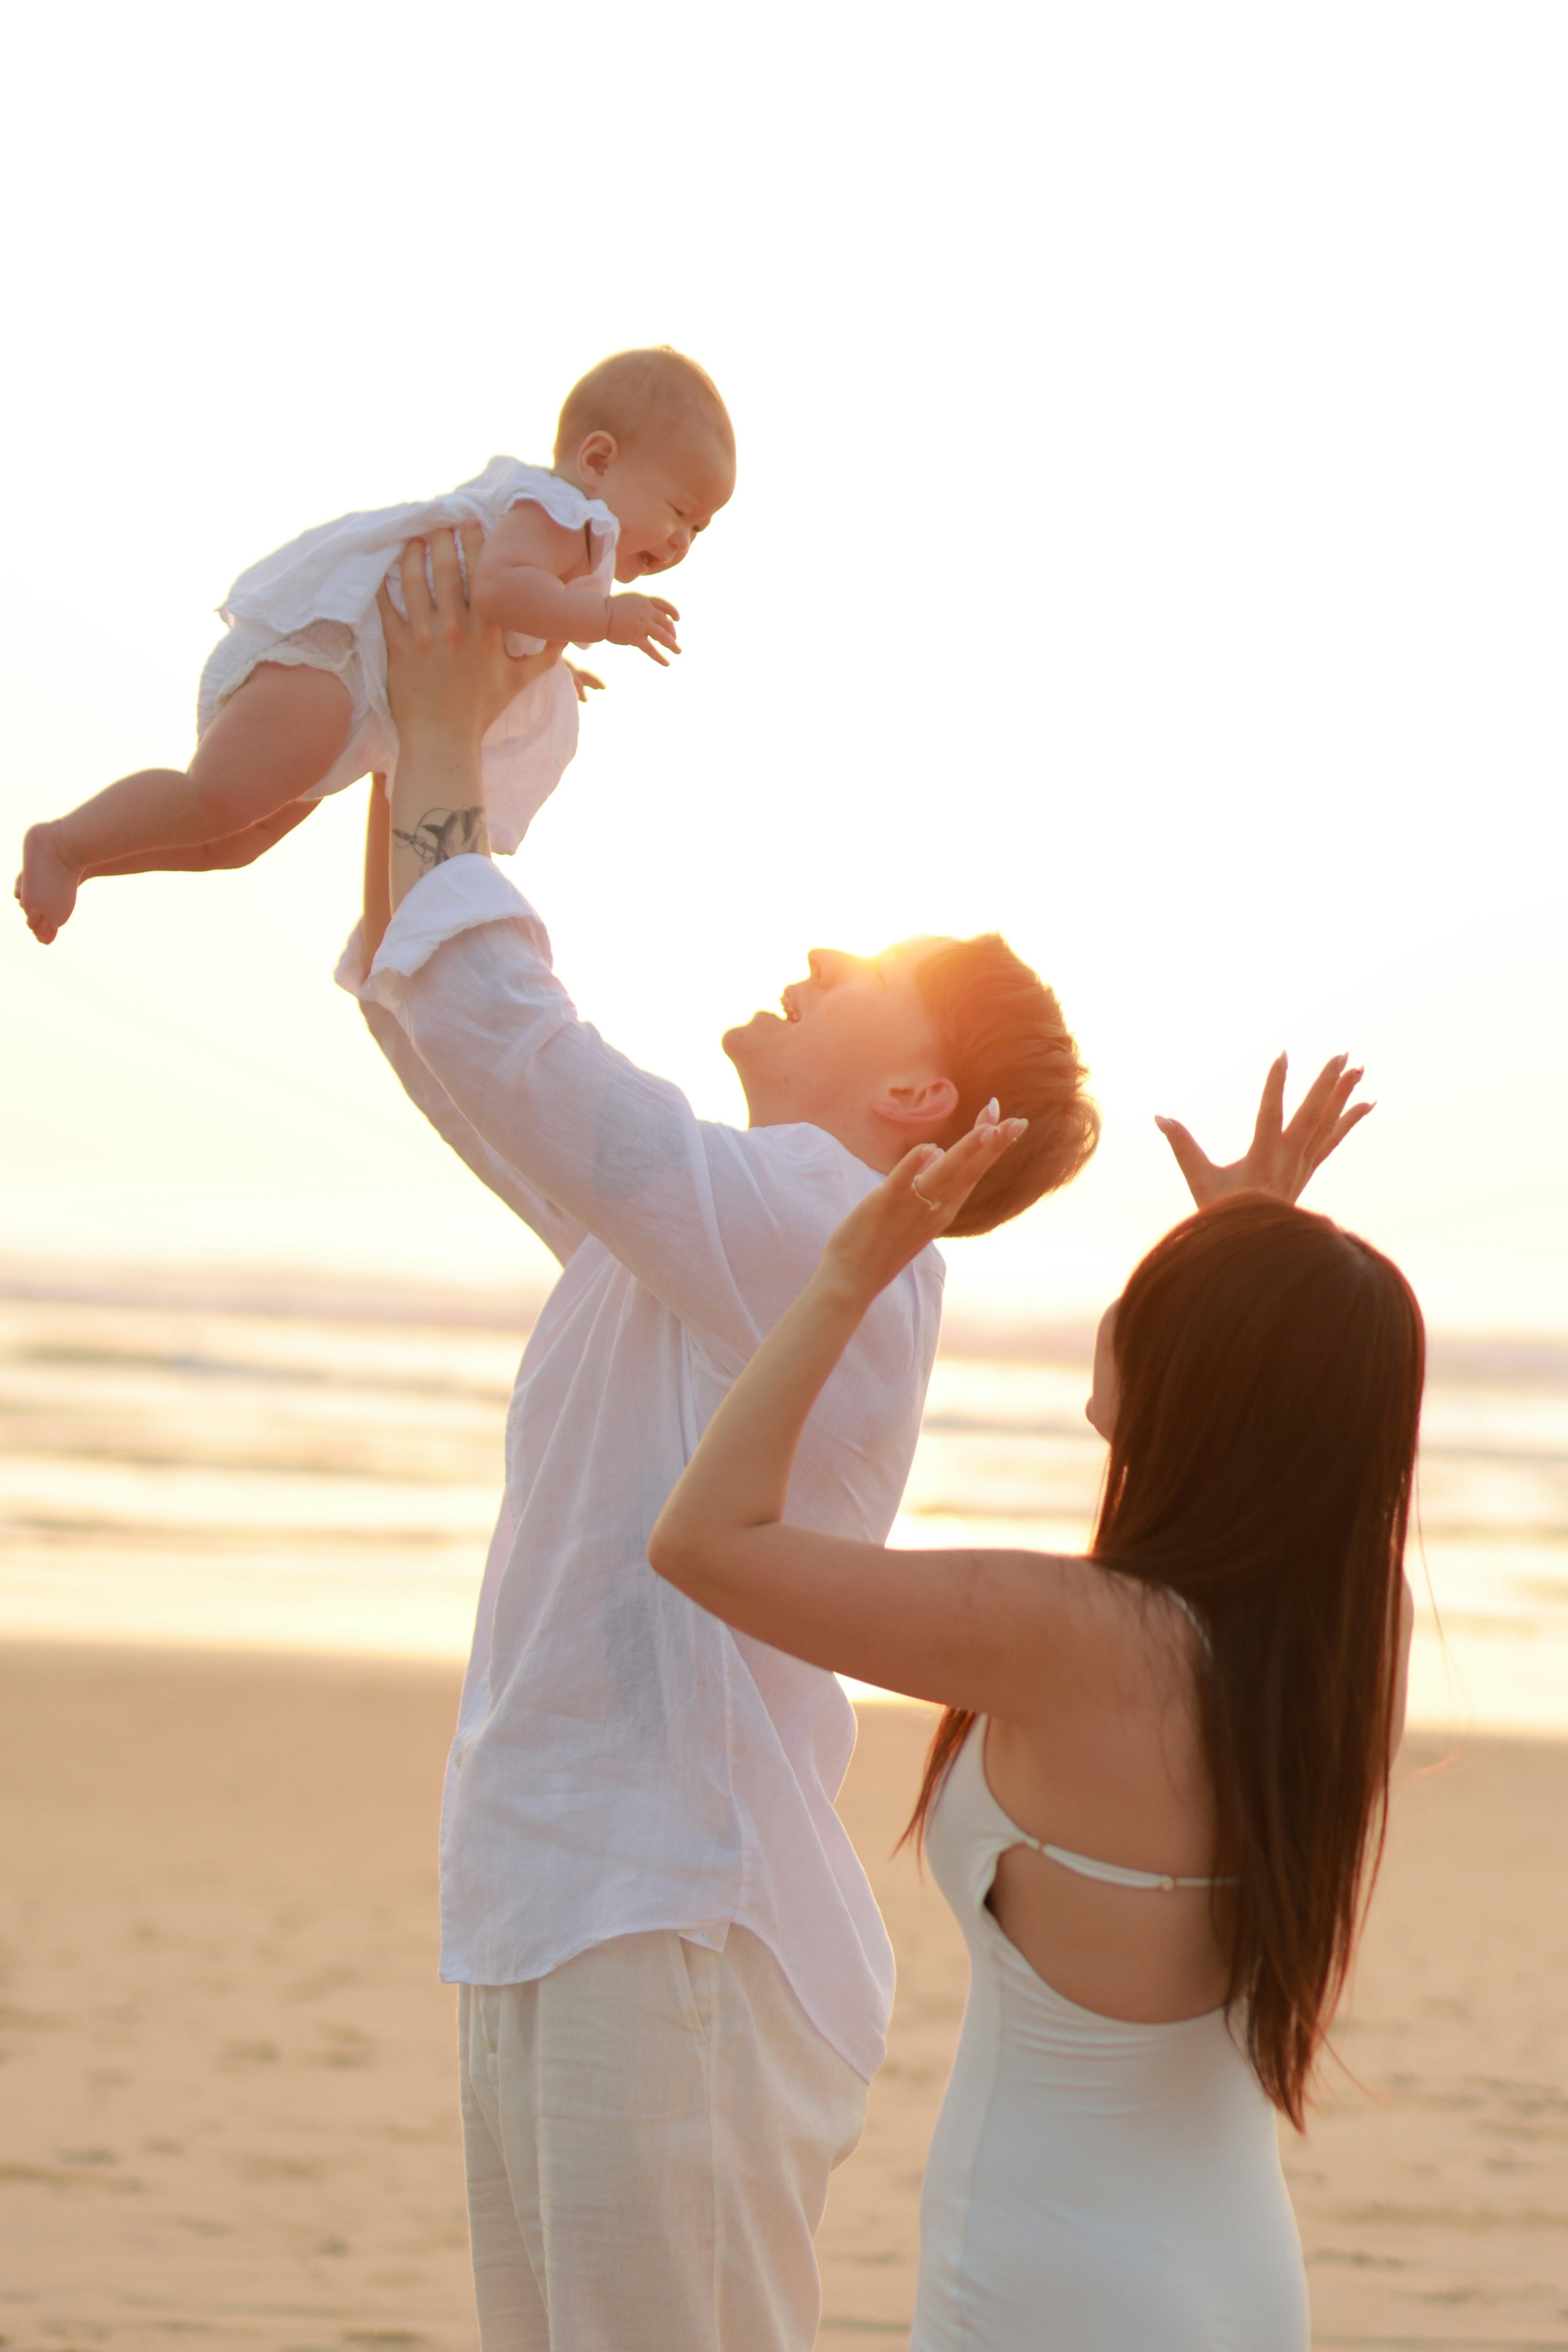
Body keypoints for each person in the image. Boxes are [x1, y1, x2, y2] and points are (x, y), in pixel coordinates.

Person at [336, 528, 1102, 2352]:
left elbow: (494, 1024)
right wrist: (445, 736)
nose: (817, 955)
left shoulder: (806, 1217)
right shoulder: (703, 1230)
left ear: (911, 1097)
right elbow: (427, 1007)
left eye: (869, 964)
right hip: (557, 1885)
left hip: (669, 1907)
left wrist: (451, 741)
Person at [649, 1077, 1419, 2350]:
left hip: (1051, 2280)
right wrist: (1254, 1249)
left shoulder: (1066, 1636)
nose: (1112, 1315)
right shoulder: (1351, 1632)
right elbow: (1292, 1452)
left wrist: (847, 1278)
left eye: (1149, 1305)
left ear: (1200, 1376)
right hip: (1237, 2273)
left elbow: (705, 1542)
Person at [16, 347, 734, 942]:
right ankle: (67, 843)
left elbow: (507, 613)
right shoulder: (563, 513)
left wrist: (555, 664)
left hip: (359, 703)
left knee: (232, 844)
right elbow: (497, 590)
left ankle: (83, 861)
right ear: (599, 461)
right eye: (678, 511)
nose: (681, 541)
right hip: (335, 665)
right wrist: (603, 621)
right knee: (217, 800)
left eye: (700, 530)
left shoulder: (568, 535)